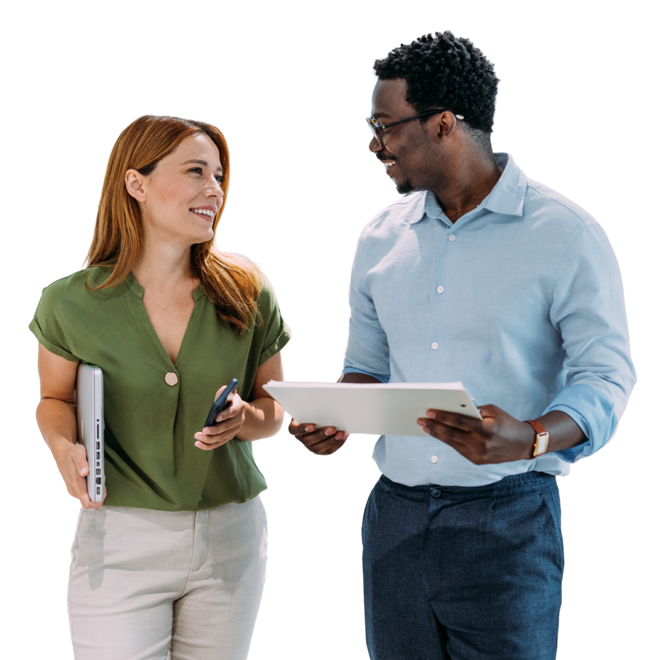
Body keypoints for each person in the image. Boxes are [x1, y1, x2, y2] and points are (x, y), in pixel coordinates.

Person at [287, 29, 637, 659]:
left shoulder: (566, 233)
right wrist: (336, 417)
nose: (373, 144)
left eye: (385, 126)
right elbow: (365, 367)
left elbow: (607, 378)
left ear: (443, 124)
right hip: (393, 520)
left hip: (509, 522)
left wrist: (531, 436)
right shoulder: (378, 236)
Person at [28, 112, 294, 660]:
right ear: (136, 183)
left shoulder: (249, 291)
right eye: (195, 171)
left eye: (218, 175)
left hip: (230, 540)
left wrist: (246, 418)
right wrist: (61, 447)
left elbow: (275, 408)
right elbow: (54, 399)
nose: (214, 189)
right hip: (119, 540)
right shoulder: (68, 301)